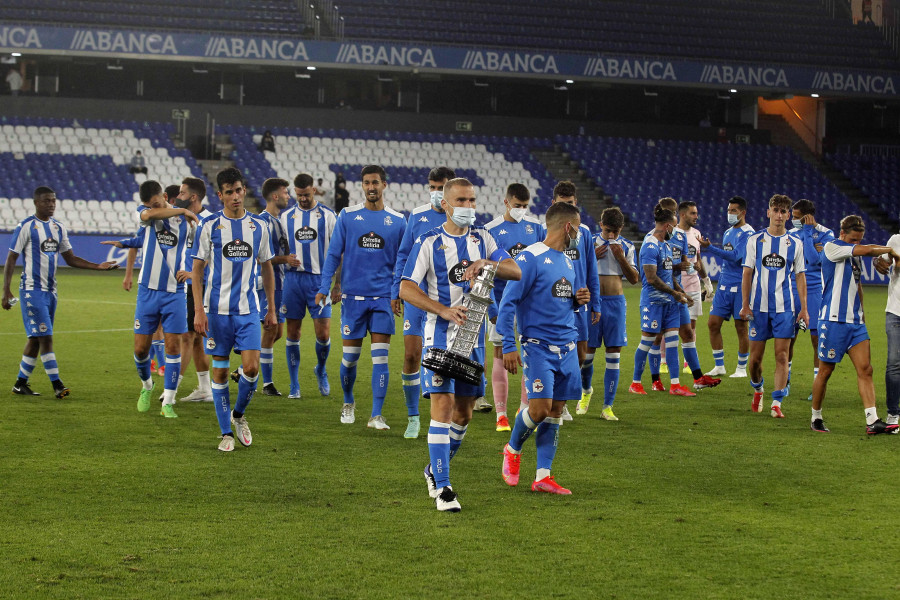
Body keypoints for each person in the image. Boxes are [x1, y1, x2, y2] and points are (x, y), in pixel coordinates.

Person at [400, 177, 520, 512]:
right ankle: (444, 488)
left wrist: (487, 264)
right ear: (446, 205)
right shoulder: (428, 241)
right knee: (442, 405)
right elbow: (406, 287)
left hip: (473, 341)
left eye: (472, 200)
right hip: (437, 337)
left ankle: (433, 470)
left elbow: (515, 270)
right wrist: (442, 310)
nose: (469, 207)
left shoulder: (484, 238)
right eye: (462, 201)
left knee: (464, 414)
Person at [499, 202, 594, 496]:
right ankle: (512, 449)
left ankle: (543, 476)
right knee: (539, 409)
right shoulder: (529, 258)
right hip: (538, 346)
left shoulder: (566, 260)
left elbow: (561, 300)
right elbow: (508, 303)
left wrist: (578, 300)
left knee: (556, 409)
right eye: (577, 227)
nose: (579, 234)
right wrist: (508, 344)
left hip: (566, 345)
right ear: (568, 226)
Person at [2, 186, 118, 397]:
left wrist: (98, 266)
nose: (51, 204)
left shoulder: (58, 228)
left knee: (36, 338)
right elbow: (11, 258)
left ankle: (20, 383)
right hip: (31, 290)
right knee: (46, 337)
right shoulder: (26, 227)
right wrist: (6, 291)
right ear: (36, 203)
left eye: (54, 201)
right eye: (47, 201)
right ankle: (57, 385)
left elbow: (71, 258)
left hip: (50, 291)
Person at [191, 167, 277, 452]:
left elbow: (266, 267)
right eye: (229, 192)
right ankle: (226, 432)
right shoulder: (209, 227)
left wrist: (272, 308)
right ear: (220, 195)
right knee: (219, 373)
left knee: (252, 369)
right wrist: (199, 311)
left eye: (238, 190)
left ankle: (239, 415)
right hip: (216, 311)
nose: (235, 196)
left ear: (243, 190)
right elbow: (197, 270)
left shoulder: (259, 227)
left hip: (248, 310)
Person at [315, 165, 406, 429]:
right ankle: (348, 401)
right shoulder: (348, 216)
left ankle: (376, 415)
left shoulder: (398, 221)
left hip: (382, 299)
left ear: (384, 185)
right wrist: (325, 286)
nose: (371, 187)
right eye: (366, 183)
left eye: (375, 182)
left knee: (381, 358)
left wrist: (397, 291)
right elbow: (333, 254)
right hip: (353, 298)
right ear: (362, 186)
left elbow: (403, 261)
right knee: (350, 358)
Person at [101, 180, 198, 418]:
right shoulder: (147, 214)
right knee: (141, 349)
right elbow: (145, 221)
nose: (151, 209)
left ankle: (169, 401)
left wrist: (192, 271)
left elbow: (200, 253)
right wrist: (182, 209)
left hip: (174, 292)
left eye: (156, 203)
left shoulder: (187, 224)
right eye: (148, 205)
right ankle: (147, 386)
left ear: (164, 196)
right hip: (148, 291)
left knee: (173, 345)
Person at [810, 215, 899, 434]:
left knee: (866, 369)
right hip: (833, 321)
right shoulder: (832, 247)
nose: (855, 244)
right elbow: (868, 250)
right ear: (842, 234)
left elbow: (857, 284)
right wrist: (890, 252)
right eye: (852, 239)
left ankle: (872, 421)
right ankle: (816, 417)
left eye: (858, 240)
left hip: (855, 322)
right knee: (826, 370)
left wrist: (862, 313)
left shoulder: (853, 253)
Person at [392, 166, 456, 438]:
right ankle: (413, 417)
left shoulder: (461, 221)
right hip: (418, 298)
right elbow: (403, 254)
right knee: (411, 355)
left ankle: (446, 416)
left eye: (440, 187)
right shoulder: (417, 216)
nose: (435, 192)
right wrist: (397, 289)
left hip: (446, 301)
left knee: (445, 360)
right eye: (431, 187)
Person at [740, 194, 809, 418]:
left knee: (782, 356)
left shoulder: (795, 244)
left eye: (783, 211)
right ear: (768, 212)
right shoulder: (755, 240)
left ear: (788, 215)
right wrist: (745, 305)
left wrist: (804, 309)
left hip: (785, 309)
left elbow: (800, 277)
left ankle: (777, 402)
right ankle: (758, 389)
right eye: (776, 210)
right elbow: (747, 273)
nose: (779, 215)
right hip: (758, 308)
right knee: (755, 361)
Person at [484, 183, 545, 430]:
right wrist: (491, 308)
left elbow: (542, 265)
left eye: (524, 206)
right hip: (502, 304)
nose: (521, 209)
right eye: (517, 205)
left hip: (530, 306)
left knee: (529, 355)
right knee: (500, 353)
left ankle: (522, 408)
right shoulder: (490, 229)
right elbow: (486, 273)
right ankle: (501, 415)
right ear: (506, 202)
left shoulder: (536, 228)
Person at [649, 198, 721, 392]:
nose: (696, 217)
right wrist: (676, 282)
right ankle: (654, 380)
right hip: (663, 292)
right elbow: (656, 270)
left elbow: (687, 261)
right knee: (658, 336)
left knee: (687, 332)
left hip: (680, 290)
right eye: (692, 213)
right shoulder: (654, 239)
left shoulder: (682, 236)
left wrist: (698, 283)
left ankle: (697, 378)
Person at [231, 178, 294, 396]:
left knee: (276, 333)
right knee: (271, 330)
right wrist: (286, 259)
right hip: (269, 283)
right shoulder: (263, 221)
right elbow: (261, 259)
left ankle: (243, 368)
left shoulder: (278, 220)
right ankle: (266, 383)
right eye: (285, 192)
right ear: (275, 196)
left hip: (281, 284)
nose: (288, 196)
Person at [628, 205, 695, 397]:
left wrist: (682, 292)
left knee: (673, 342)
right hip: (653, 303)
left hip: (670, 303)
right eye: (673, 227)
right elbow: (651, 278)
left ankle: (675, 385)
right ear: (667, 226)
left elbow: (667, 275)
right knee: (647, 342)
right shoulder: (650, 246)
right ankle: (635, 383)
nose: (675, 232)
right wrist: (675, 294)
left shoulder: (665, 245)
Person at [578, 207, 638, 419]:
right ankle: (586, 392)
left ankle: (607, 407)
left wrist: (621, 257)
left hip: (616, 304)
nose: (611, 236)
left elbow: (634, 279)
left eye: (616, 231)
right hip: (593, 303)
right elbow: (575, 270)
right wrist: (590, 257)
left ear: (621, 228)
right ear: (600, 224)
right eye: (608, 230)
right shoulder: (588, 242)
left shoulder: (628, 246)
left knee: (614, 356)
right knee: (586, 357)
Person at [549, 181, 601, 420]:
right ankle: (552, 401)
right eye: (563, 204)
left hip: (580, 304)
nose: (567, 208)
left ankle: (564, 400)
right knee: (553, 352)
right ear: (553, 204)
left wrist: (596, 303)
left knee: (579, 356)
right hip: (555, 303)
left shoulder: (586, 233)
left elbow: (591, 270)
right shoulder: (545, 231)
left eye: (570, 204)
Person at [282, 173, 337, 399]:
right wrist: (286, 258)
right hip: (293, 281)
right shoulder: (285, 217)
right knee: (293, 332)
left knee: (323, 334)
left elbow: (338, 252)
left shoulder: (328, 216)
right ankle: (294, 385)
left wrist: (337, 285)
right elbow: (275, 251)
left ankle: (321, 369)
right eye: (298, 195)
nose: (302, 199)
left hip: (319, 281)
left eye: (306, 194)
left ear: (313, 190)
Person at [699, 196, 755, 378]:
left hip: (741, 285)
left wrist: (710, 248)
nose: (729, 214)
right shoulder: (727, 232)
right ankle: (719, 366)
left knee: (741, 327)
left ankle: (740, 368)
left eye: (733, 211)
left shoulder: (748, 233)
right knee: (713, 324)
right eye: (728, 210)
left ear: (743, 212)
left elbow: (736, 257)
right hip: (724, 285)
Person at [173, 177, 215, 403]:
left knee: (187, 337)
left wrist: (194, 273)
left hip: (200, 287)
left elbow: (214, 252)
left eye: (181, 193)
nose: (178, 196)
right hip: (187, 287)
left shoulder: (209, 220)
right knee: (196, 339)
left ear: (193, 197)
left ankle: (172, 388)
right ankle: (204, 389)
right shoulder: (182, 218)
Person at [788, 199, 834, 400]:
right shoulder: (789, 234)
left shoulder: (826, 234)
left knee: (816, 339)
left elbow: (814, 261)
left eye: (797, 217)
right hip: (791, 289)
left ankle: (817, 384)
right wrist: (810, 245)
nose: (793, 220)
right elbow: (796, 260)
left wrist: (807, 233)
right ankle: (786, 381)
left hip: (815, 290)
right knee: (789, 337)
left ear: (808, 217)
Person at [675, 201, 715, 374]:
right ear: (682, 215)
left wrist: (706, 280)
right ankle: (663, 360)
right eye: (692, 213)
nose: (696, 216)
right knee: (669, 326)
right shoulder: (673, 234)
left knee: (691, 325)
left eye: (696, 213)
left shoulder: (697, 234)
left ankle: (687, 363)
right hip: (675, 286)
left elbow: (698, 259)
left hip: (693, 285)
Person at [874, 231, 900, 428]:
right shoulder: (895, 240)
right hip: (895, 312)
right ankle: (893, 414)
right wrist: (877, 262)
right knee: (893, 364)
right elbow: (882, 261)